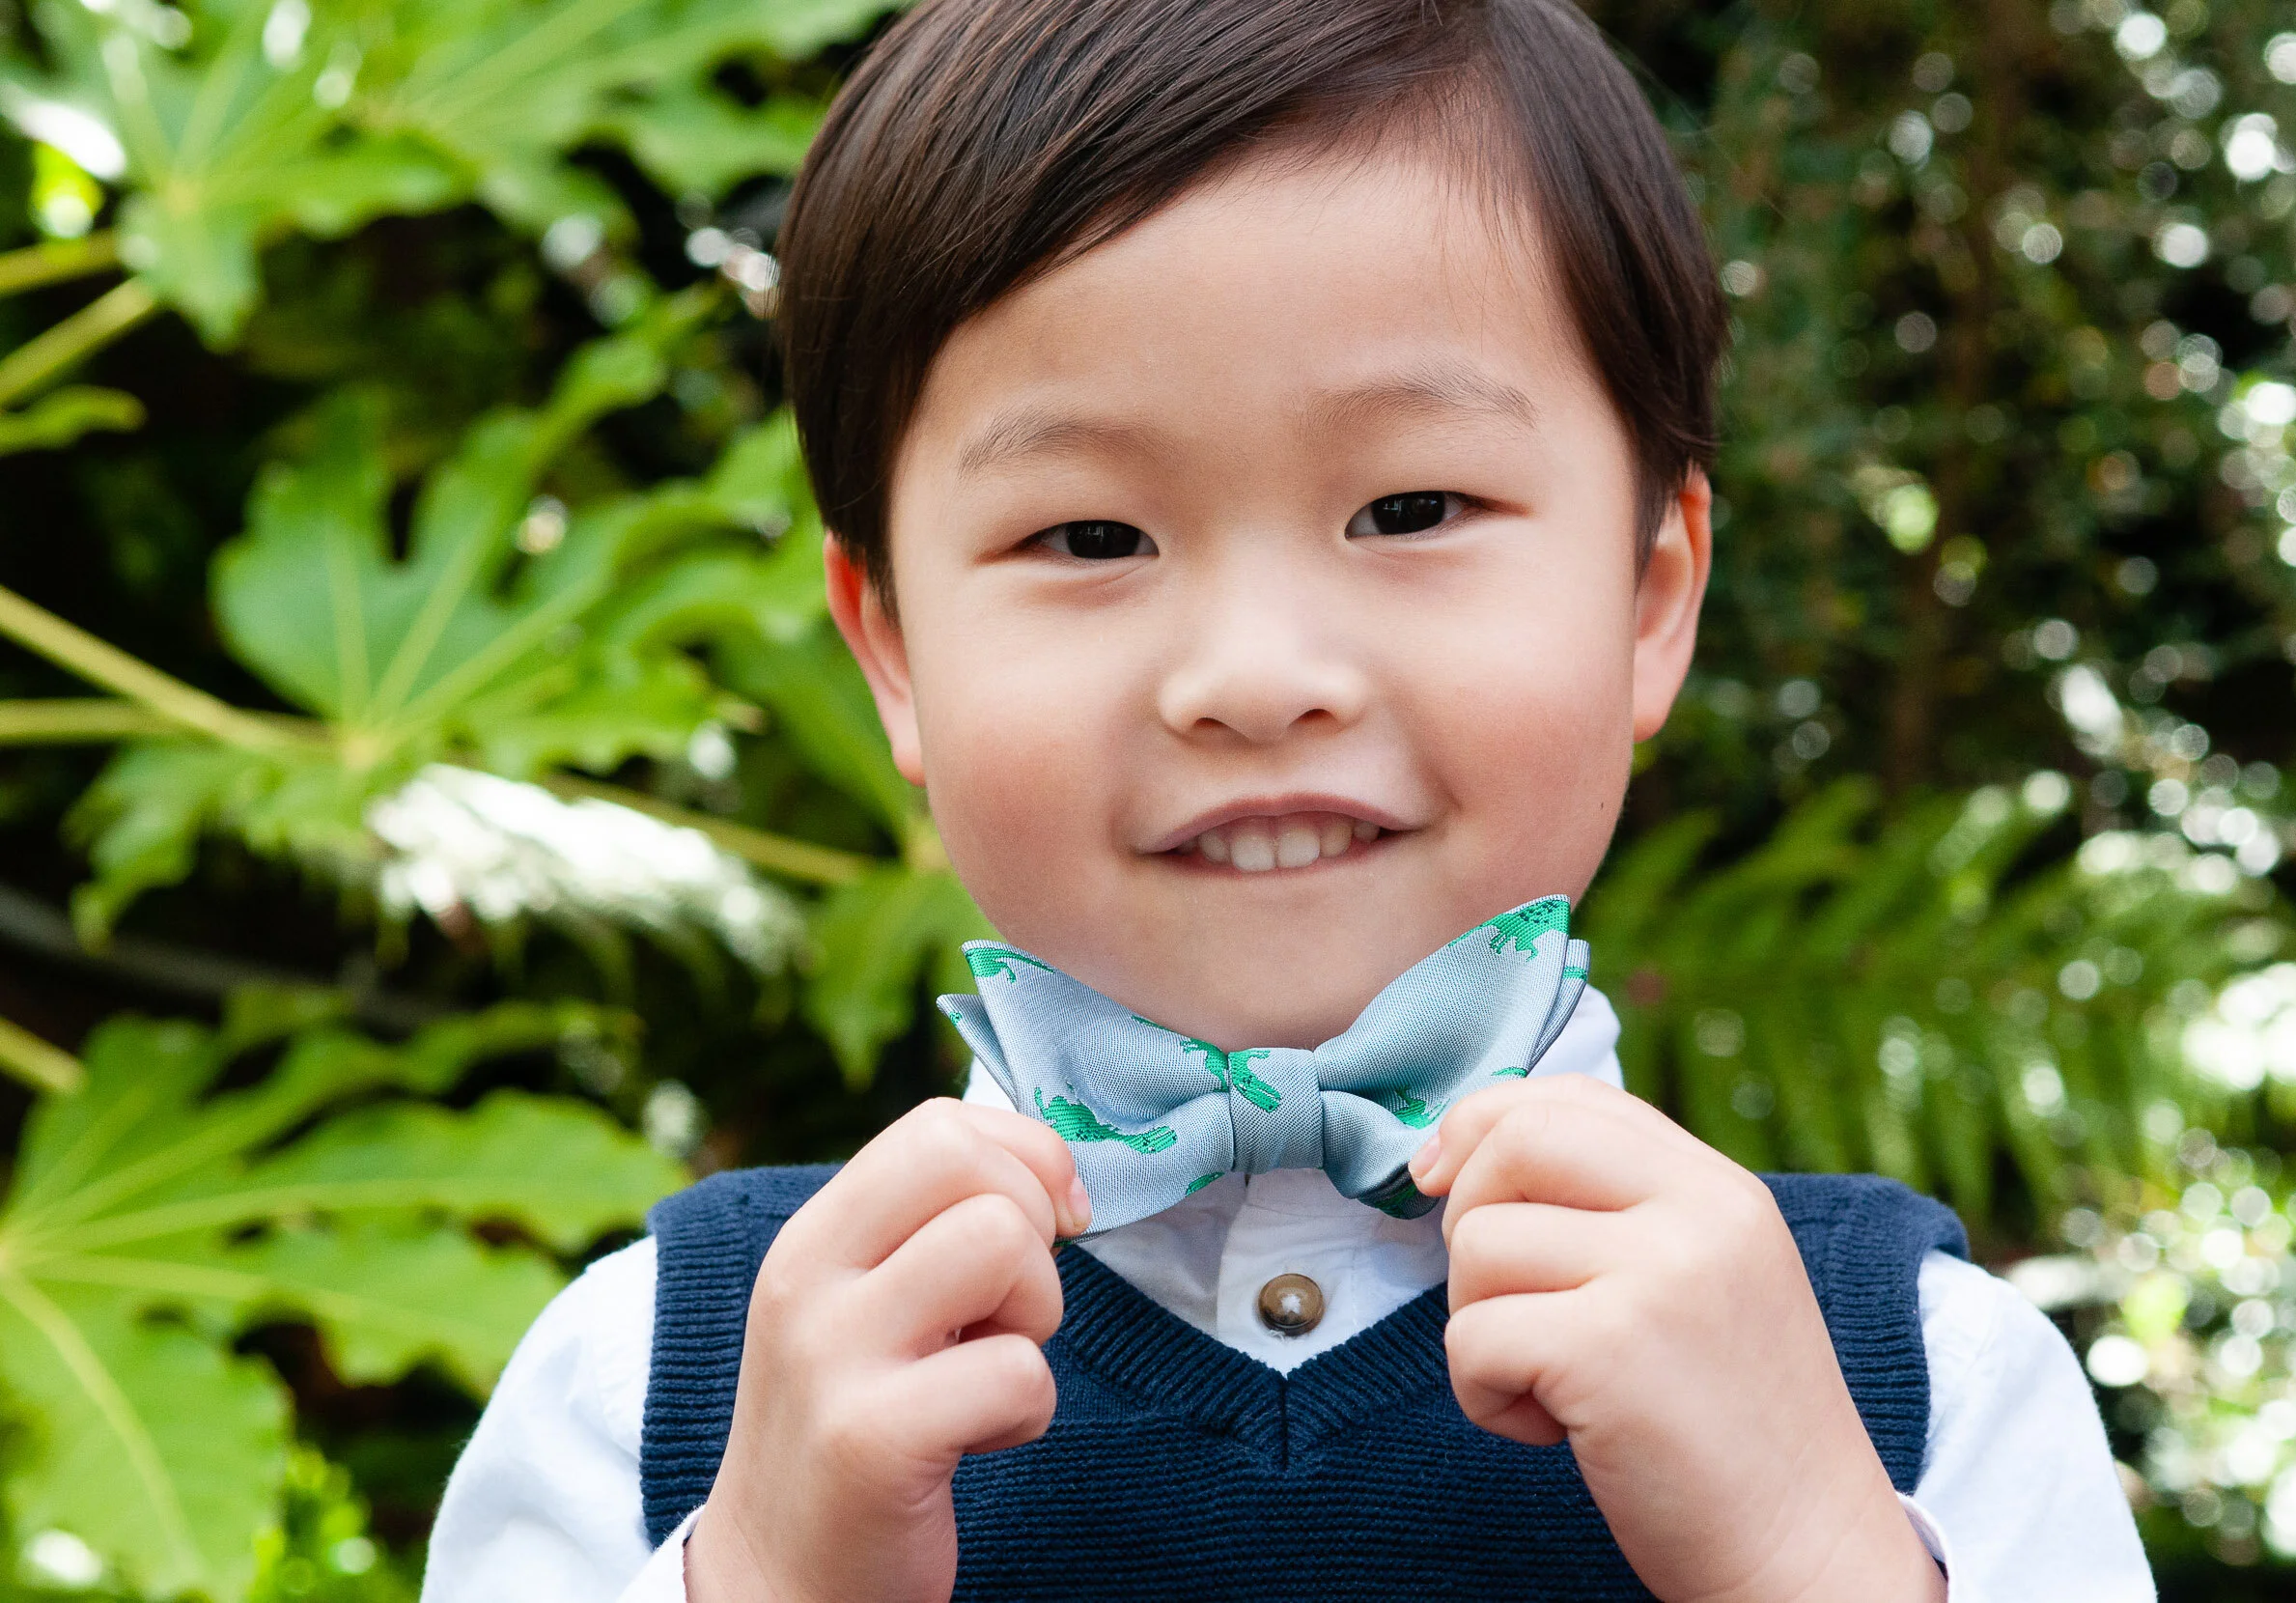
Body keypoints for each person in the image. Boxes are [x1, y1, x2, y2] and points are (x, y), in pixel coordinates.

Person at [422, 0, 2157, 1598]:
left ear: (1649, 596)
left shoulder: (1925, 1389)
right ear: (889, 650)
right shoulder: (658, 1382)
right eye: (1089, 538)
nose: (1256, 675)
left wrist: (1812, 1548)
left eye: (1410, 510)